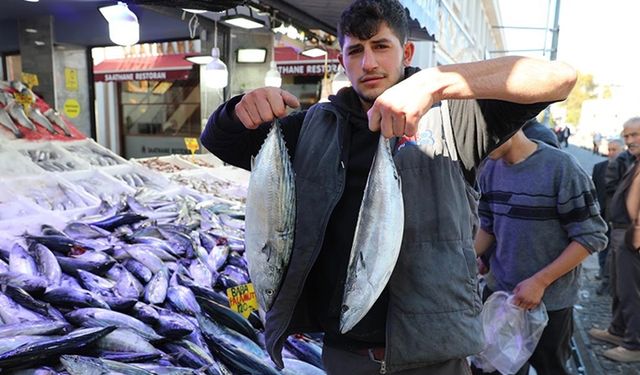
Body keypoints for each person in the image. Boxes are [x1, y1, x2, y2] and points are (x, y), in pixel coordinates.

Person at [200, 1, 577, 373]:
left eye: (381, 46)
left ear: (406, 51)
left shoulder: (457, 119)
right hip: (343, 354)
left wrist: (434, 83)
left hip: (433, 356)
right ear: (341, 60)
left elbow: (558, 78)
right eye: (356, 51)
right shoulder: (311, 127)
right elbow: (221, 140)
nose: (369, 63)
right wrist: (240, 108)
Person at [473, 129, 607, 375]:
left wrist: (540, 281)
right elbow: (488, 227)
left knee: (550, 368)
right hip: (499, 297)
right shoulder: (489, 168)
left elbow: (592, 236)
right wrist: (466, 260)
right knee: (491, 368)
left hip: (550, 304)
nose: (474, 145)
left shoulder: (561, 167)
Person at [589, 117, 640, 362]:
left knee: (631, 292)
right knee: (620, 288)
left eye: (634, 135)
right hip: (621, 232)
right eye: (626, 136)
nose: (629, 141)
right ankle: (618, 331)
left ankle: (634, 344)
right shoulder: (634, 162)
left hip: (632, 235)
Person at [593, 138, 624, 295]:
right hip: (602, 213)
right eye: (609, 149)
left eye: (614, 150)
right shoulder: (599, 167)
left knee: (616, 250)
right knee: (603, 246)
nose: (611, 153)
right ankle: (602, 271)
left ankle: (609, 280)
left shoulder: (628, 169)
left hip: (620, 219)